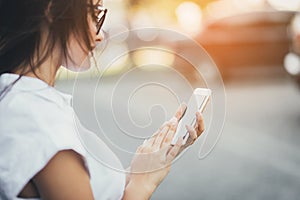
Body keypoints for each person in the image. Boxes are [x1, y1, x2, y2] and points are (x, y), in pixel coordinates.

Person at [0, 0, 205, 199]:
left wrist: (147, 164)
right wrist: (143, 183)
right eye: (94, 13)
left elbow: (95, 191)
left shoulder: (30, 101)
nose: (99, 35)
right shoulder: (35, 116)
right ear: (52, 10)